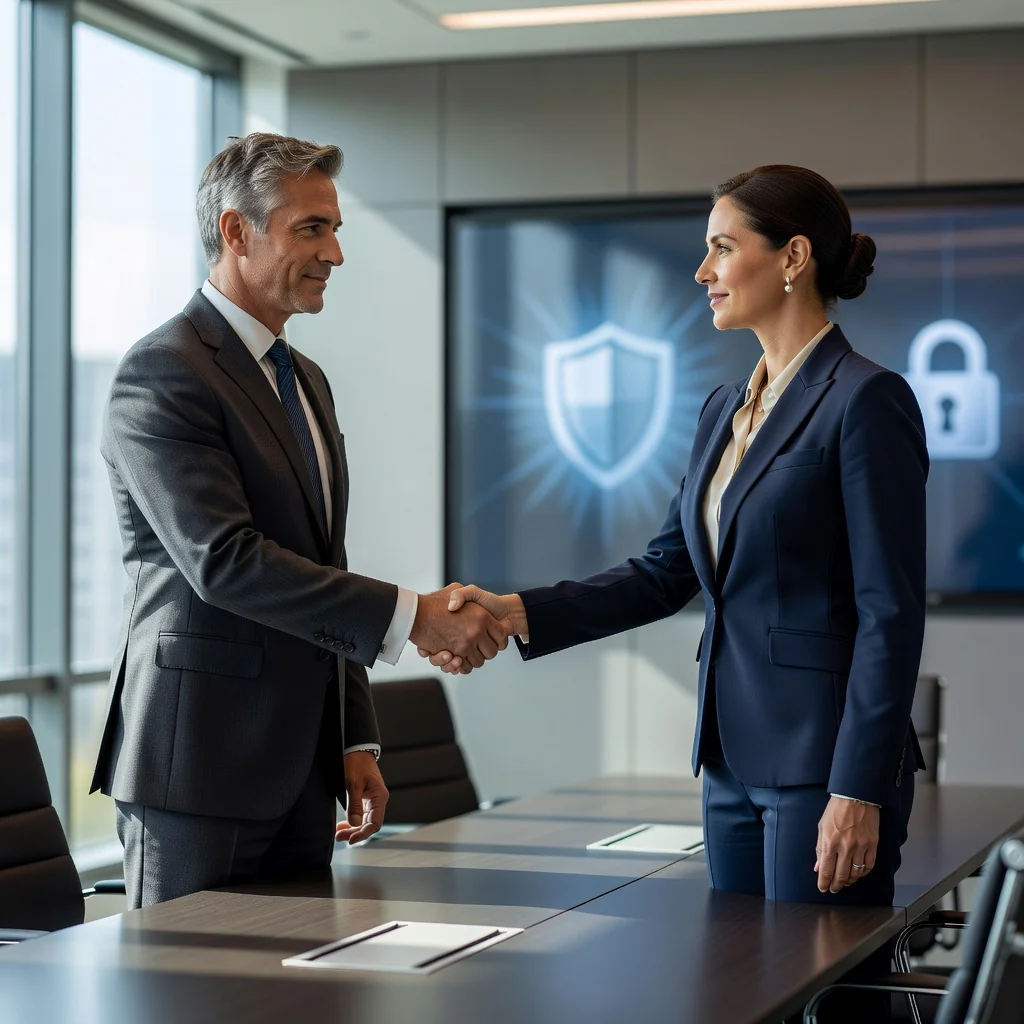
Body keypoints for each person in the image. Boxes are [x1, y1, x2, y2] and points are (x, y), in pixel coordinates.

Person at [424, 165, 928, 1020]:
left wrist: (859, 788)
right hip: (728, 762)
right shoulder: (722, 409)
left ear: (794, 257)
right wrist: (517, 612)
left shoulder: (866, 400)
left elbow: (890, 612)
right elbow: (667, 572)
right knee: (737, 998)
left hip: (822, 771)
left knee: (827, 1005)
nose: (703, 272)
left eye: (722, 248)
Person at [91, 133, 509, 909]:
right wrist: (413, 616)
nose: (335, 254)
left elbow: (324, 556)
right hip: (197, 773)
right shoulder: (162, 372)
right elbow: (225, 562)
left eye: (335, 228)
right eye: (311, 228)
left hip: (302, 774)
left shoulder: (304, 378)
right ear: (235, 231)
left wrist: (352, 735)